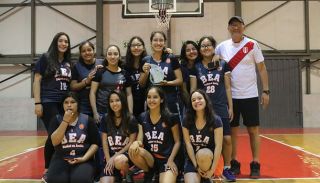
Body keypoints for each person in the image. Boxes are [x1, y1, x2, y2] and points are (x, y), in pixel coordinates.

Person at [215, 16, 270, 178]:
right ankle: (234, 163)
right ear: (228, 28)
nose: (236, 27)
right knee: (232, 132)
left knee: (253, 130)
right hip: (230, 97)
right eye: (232, 25)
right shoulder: (221, 47)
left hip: (250, 95)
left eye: (238, 25)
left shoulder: (252, 45)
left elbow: (262, 69)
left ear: (244, 27)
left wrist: (266, 91)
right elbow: (209, 57)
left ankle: (255, 164)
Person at [190, 36, 236, 182]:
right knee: (209, 141)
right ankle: (208, 168)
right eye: (203, 46)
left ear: (213, 46)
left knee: (227, 139)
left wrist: (231, 107)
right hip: (204, 109)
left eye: (208, 45)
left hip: (221, 106)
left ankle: (227, 168)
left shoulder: (223, 64)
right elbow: (193, 89)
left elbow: (228, 87)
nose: (206, 48)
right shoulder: (196, 67)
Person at [33, 32, 72, 182]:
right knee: (54, 135)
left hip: (64, 103)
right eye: (61, 41)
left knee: (62, 135)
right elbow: (37, 80)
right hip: (49, 101)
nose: (63, 44)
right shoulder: (46, 58)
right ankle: (48, 169)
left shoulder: (68, 62)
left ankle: (61, 165)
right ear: (55, 42)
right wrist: (37, 103)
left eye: (66, 42)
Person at [128, 86, 181, 183]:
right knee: (133, 150)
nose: (151, 100)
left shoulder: (171, 117)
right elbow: (140, 139)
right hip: (151, 159)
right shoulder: (142, 117)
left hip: (166, 159)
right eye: (149, 97)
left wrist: (171, 160)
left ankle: (159, 173)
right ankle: (149, 172)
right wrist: (136, 143)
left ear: (161, 100)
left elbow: (177, 142)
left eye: (155, 97)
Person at [47, 92, 99, 183]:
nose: (69, 105)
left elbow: (95, 143)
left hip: (82, 159)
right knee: (55, 180)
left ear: (78, 104)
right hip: (61, 159)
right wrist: (65, 121)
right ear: (62, 105)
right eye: (66, 102)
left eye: (72, 102)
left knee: (80, 180)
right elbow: (54, 142)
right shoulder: (56, 120)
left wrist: (84, 158)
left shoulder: (88, 120)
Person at [139, 31, 183, 119]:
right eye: (155, 40)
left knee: (172, 129)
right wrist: (146, 73)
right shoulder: (145, 60)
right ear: (151, 42)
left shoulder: (172, 58)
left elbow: (180, 80)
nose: (158, 43)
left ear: (164, 42)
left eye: (161, 40)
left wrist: (167, 83)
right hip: (152, 102)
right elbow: (142, 84)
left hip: (170, 101)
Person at [182, 89, 223, 183]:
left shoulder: (216, 120)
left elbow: (218, 147)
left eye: (199, 98)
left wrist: (212, 170)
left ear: (206, 100)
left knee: (203, 154)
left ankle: (207, 177)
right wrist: (196, 166)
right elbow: (188, 144)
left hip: (209, 160)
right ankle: (202, 177)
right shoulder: (186, 120)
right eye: (193, 100)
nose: (196, 101)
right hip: (192, 160)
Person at [99, 90, 138, 183]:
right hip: (110, 157)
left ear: (123, 101)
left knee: (120, 160)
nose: (114, 103)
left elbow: (131, 142)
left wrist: (115, 156)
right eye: (111, 101)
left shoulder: (131, 119)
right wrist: (109, 160)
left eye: (117, 100)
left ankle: (128, 174)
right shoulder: (105, 118)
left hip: (125, 156)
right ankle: (118, 177)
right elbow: (104, 142)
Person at [89, 44, 133, 123]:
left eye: (115, 54)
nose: (112, 57)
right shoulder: (100, 72)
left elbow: (129, 94)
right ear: (106, 56)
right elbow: (92, 92)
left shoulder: (125, 74)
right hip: (101, 112)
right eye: (109, 54)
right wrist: (95, 113)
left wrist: (130, 113)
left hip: (119, 113)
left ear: (119, 56)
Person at [70, 41, 103, 117]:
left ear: (93, 50)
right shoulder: (76, 66)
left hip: (101, 105)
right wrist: (86, 82)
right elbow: (73, 87)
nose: (87, 53)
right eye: (83, 51)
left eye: (89, 50)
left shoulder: (102, 63)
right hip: (83, 106)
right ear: (80, 53)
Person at [124, 36, 148, 118]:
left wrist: (167, 52)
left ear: (143, 47)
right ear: (129, 48)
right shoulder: (124, 66)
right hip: (130, 104)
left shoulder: (149, 63)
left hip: (147, 103)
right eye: (133, 45)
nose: (136, 48)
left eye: (139, 45)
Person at [179, 40, 199, 107]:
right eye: (188, 50)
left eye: (193, 49)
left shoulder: (202, 64)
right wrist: (191, 106)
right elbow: (184, 91)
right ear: (184, 53)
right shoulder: (181, 67)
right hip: (188, 103)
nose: (191, 52)